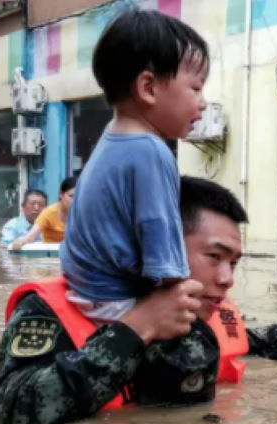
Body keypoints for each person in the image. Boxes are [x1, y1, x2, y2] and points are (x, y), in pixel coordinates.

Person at [0, 177, 277, 424]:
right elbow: (9, 416)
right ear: (157, 244)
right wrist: (136, 329)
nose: (228, 278)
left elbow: (239, 343)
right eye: (214, 257)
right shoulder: (52, 309)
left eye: (235, 262)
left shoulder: (203, 306)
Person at [59, 8, 208, 324]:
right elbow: (165, 262)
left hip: (85, 293)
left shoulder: (111, 139)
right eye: (196, 88)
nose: (203, 101)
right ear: (148, 88)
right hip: (116, 303)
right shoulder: (151, 151)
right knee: (201, 335)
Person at [11, 177, 76, 249]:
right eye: (71, 196)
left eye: (79, 196)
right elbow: (30, 237)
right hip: (50, 255)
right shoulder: (48, 213)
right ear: (61, 195)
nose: (75, 200)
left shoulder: (83, 214)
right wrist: (19, 242)